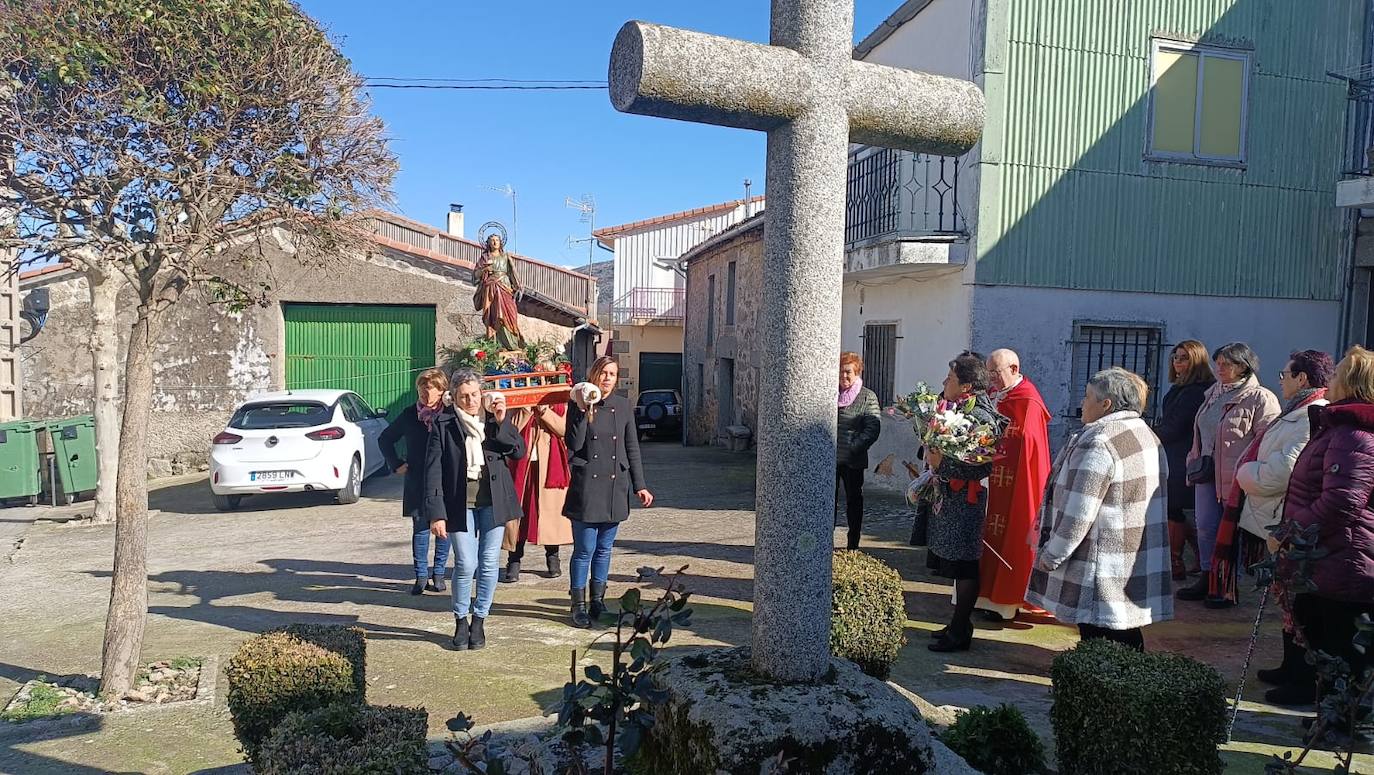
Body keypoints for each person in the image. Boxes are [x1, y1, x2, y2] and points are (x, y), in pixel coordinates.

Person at [1027, 368, 1174, 651]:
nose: (1082, 403)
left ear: (1106, 404)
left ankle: (1108, 693)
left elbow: (1079, 511)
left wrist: (1050, 555)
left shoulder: (1099, 441)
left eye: (1087, 397)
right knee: (1127, 636)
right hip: (1133, 560)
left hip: (1101, 566)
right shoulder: (1147, 435)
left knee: (1100, 643)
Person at [1265, 347, 1374, 725]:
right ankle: (1332, 717)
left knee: (1341, 647)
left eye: (1340, 372)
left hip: (1344, 556)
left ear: (1354, 382)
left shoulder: (1354, 434)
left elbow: (1342, 501)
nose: (1332, 378)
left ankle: (1341, 723)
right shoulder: (1340, 427)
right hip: (1331, 554)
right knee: (1326, 640)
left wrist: (1289, 533)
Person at [1208, 351, 1333, 608]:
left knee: (1291, 601)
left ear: (1302, 379)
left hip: (1284, 517)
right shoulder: (1296, 412)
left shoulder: (1308, 417)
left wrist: (1244, 472)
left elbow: (1283, 471)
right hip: (1273, 513)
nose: (1280, 380)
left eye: (1284, 375)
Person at [425, 368, 526, 651]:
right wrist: (436, 513)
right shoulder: (443, 423)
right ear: (454, 398)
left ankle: (480, 619)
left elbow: (518, 451)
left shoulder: (494, 420)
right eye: (463, 396)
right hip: (460, 505)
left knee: (490, 562)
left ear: (482, 394)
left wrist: (502, 421)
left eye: (474, 394)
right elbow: (433, 471)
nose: (470, 401)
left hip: (494, 502)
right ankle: (460, 619)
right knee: (466, 563)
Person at [1179, 342, 1279, 601]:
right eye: (1218, 363)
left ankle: (1224, 587)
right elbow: (1201, 430)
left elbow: (1266, 438)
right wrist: (1194, 457)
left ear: (1243, 366)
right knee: (1205, 527)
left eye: (1227, 364)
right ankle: (1206, 576)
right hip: (1206, 472)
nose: (1219, 368)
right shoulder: (1213, 392)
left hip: (1236, 478)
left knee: (1230, 531)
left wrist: (1249, 469)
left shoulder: (1261, 398)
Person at [562, 356, 654, 628]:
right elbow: (574, 443)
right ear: (594, 375)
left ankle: (598, 602)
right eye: (603, 373)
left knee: (604, 549)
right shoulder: (578, 404)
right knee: (584, 550)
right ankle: (578, 605)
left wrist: (640, 485)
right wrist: (581, 409)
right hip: (588, 488)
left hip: (615, 487)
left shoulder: (624, 406)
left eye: (612, 374)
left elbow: (632, 448)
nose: (607, 378)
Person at [926, 352, 1007, 653]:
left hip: (967, 499)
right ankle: (957, 624)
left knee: (965, 566)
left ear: (966, 387)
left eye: (949, 379)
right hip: (952, 497)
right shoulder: (957, 407)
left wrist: (941, 462)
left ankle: (961, 630)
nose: (944, 383)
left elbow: (982, 464)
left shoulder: (982, 417)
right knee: (957, 566)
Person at [975, 349, 1052, 621]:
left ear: (1014, 368)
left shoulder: (1028, 399)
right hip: (995, 479)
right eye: (989, 372)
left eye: (996, 372)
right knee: (990, 534)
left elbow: (1028, 444)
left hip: (1017, 482)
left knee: (1012, 534)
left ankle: (1006, 602)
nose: (991, 378)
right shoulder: (1000, 396)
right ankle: (986, 595)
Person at [379, 368, 452, 596]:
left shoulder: (449, 415)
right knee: (420, 528)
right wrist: (396, 463)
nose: (423, 392)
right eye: (421, 388)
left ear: (441, 391)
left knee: (444, 528)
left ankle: (438, 575)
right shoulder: (410, 414)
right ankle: (420, 576)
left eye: (429, 388)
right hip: (417, 479)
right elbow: (385, 438)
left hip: (445, 478)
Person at [1154, 340, 1215, 581]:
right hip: (1175, 454)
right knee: (1177, 509)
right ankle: (1196, 557)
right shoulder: (1183, 387)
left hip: (1183, 456)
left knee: (1174, 509)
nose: (1177, 362)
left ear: (1196, 360)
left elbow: (1175, 426)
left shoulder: (1196, 390)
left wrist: (1148, 432)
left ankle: (1176, 561)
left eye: (1184, 358)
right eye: (1175, 357)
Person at [501, 392, 574, 582]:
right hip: (521, 466)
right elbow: (511, 431)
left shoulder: (560, 403)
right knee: (519, 513)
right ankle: (514, 560)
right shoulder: (515, 402)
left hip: (549, 466)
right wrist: (526, 409)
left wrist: (544, 412)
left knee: (550, 513)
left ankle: (553, 557)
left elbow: (564, 429)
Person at [836, 352, 881, 550]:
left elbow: (872, 428)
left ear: (857, 372)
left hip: (852, 460)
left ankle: (852, 544)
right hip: (829, 459)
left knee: (854, 501)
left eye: (848, 372)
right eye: (839, 372)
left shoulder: (867, 397)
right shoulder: (830, 393)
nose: (843, 377)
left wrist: (853, 447)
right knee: (826, 501)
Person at [473, 232, 525, 350]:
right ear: (488, 243)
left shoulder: (506, 256)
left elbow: (513, 273)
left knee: (510, 315)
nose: (495, 242)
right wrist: (485, 269)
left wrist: (517, 287)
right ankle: (498, 345)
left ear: (501, 242)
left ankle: (513, 344)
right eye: (492, 240)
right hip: (491, 289)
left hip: (505, 287)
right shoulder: (485, 258)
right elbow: (475, 276)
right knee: (495, 316)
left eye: (497, 240)